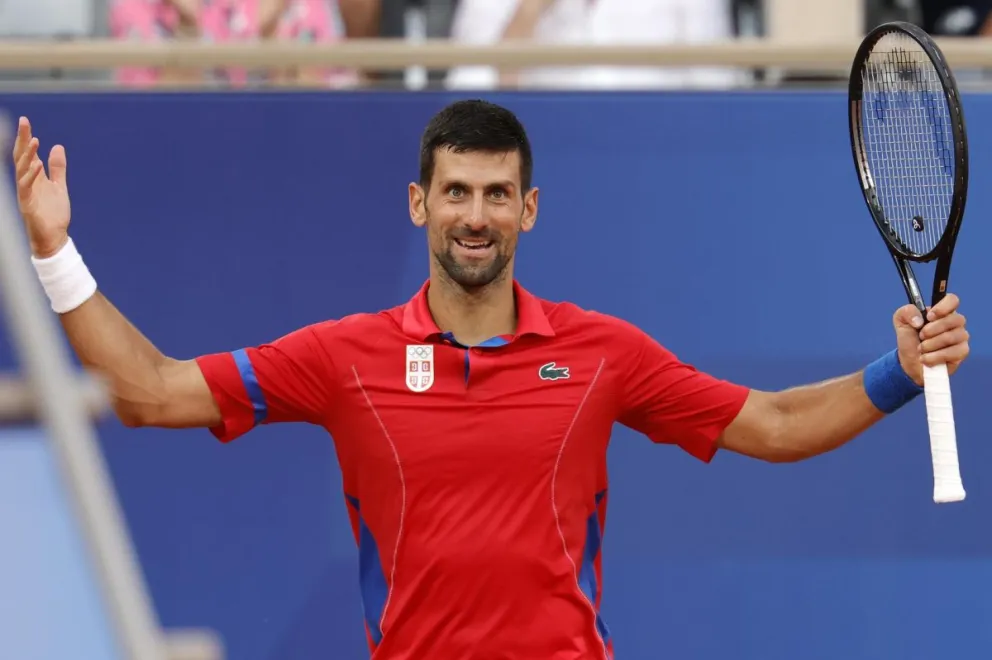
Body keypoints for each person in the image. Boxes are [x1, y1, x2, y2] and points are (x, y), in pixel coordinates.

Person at [12, 100, 970, 660]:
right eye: (459, 193)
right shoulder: (345, 357)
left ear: (530, 209)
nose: (478, 215)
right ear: (421, 203)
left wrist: (899, 371)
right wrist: (54, 252)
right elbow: (149, 392)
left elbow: (774, 422)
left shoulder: (603, 354)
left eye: (499, 194)